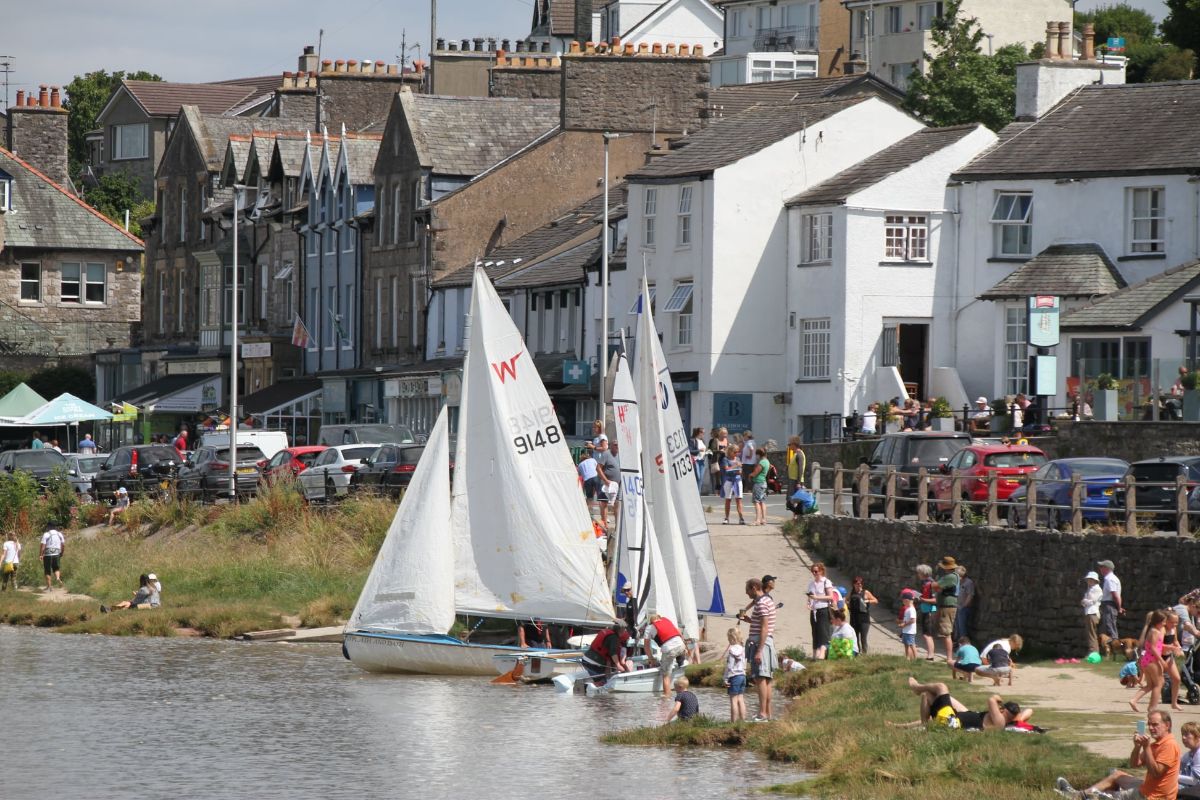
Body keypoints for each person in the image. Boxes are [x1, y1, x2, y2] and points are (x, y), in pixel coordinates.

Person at [1055, 710, 1180, 800]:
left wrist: (1146, 747)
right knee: (1117, 774)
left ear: (1167, 725)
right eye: (1149, 724)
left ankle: (1079, 796)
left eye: (1155, 725)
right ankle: (1079, 795)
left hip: (1153, 796)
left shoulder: (1169, 745)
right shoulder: (1156, 744)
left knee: (1106, 796)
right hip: (1148, 787)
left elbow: (1156, 773)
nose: (1151, 728)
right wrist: (1137, 747)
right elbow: (1134, 764)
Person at [896, 676, 1032, 731]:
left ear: (1004, 711)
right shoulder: (1004, 721)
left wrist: (997, 698)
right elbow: (1030, 711)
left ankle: (917, 688)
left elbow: (991, 699)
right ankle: (924, 725)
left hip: (951, 721)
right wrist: (1019, 717)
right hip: (952, 719)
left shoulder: (1000, 721)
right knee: (927, 695)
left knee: (941, 687)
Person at [745, 577, 777, 722]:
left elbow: (764, 628)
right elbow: (763, 624)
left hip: (761, 644)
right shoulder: (767, 600)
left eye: (747, 590)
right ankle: (768, 714)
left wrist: (759, 650)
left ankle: (762, 714)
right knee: (767, 679)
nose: (747, 593)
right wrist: (750, 621)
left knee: (760, 678)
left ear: (754, 588)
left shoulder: (762, 603)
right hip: (766, 642)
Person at [1132, 610, 1169, 714]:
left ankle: (1134, 700)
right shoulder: (1155, 632)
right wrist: (1161, 660)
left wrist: (1170, 647)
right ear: (1158, 621)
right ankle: (1152, 708)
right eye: (1163, 622)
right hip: (1152, 661)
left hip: (1147, 660)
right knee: (1159, 684)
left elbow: (1157, 646)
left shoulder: (1152, 630)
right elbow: (1153, 648)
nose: (1164, 624)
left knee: (1150, 685)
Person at [644, 611, 688, 694]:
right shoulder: (666, 620)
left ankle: (666, 698)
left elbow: (646, 646)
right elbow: (679, 633)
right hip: (681, 645)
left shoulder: (649, 627)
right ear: (659, 617)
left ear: (650, 621)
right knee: (679, 659)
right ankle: (680, 661)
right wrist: (685, 647)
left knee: (666, 676)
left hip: (669, 650)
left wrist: (651, 659)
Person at [581, 620, 632, 685]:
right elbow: (613, 653)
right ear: (621, 629)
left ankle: (589, 687)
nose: (625, 630)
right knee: (602, 683)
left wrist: (609, 676)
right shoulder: (614, 637)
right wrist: (618, 665)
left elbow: (608, 661)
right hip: (594, 663)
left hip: (586, 659)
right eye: (624, 629)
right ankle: (589, 689)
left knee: (602, 681)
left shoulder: (607, 633)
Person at [807, 562, 836, 660]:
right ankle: (815, 655)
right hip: (814, 610)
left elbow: (831, 596)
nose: (814, 573)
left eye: (816, 571)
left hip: (823, 609)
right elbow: (810, 596)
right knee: (815, 632)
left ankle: (822, 654)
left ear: (821, 571)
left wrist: (817, 597)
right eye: (812, 571)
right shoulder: (811, 584)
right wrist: (809, 602)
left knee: (823, 632)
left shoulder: (826, 582)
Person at [936, 556, 961, 662]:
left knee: (946, 632)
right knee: (945, 632)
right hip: (947, 605)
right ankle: (949, 657)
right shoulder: (952, 576)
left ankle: (949, 658)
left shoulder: (951, 577)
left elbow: (935, 585)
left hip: (947, 606)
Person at [592, 438, 619, 530]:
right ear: (610, 445)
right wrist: (606, 480)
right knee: (604, 504)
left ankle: (617, 527)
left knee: (617, 504)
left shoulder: (620, 455)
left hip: (616, 485)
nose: (617, 446)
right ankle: (604, 526)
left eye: (618, 445)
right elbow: (598, 468)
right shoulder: (606, 454)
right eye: (615, 444)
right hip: (605, 484)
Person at [848, 576, 878, 654]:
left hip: (864, 619)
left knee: (863, 638)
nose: (860, 585)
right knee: (855, 638)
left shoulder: (866, 592)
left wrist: (867, 601)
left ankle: (864, 654)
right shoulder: (852, 592)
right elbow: (847, 600)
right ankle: (856, 653)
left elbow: (875, 600)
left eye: (861, 583)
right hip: (853, 619)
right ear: (854, 584)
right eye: (858, 583)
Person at [723, 627, 748, 722]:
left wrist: (725, 678)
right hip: (742, 676)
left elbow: (730, 666)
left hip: (734, 676)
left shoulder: (732, 650)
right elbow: (744, 663)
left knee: (733, 700)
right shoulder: (743, 649)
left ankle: (733, 721)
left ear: (732, 638)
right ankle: (742, 720)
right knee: (741, 699)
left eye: (728, 638)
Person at [1099, 559, 1126, 642]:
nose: (1100, 569)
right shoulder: (1112, 579)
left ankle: (1116, 645)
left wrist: (1119, 607)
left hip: (1109, 605)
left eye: (1102, 567)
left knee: (1110, 628)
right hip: (1110, 604)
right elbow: (1117, 595)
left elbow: (1115, 595)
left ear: (1107, 568)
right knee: (1110, 626)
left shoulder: (1110, 579)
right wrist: (1119, 607)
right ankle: (1113, 646)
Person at [916, 563, 938, 661]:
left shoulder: (931, 584)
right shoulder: (925, 583)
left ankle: (930, 655)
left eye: (919, 573)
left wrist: (922, 599)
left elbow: (935, 600)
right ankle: (930, 654)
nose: (918, 575)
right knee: (926, 633)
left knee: (928, 634)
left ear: (923, 573)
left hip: (930, 610)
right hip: (925, 609)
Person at [720, 445, 745, 525]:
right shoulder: (725, 459)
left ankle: (741, 518)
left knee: (738, 499)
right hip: (728, 480)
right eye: (735, 452)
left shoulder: (738, 459)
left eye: (738, 452)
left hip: (737, 480)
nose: (736, 454)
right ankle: (726, 518)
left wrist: (737, 469)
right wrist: (735, 466)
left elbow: (740, 471)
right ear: (730, 452)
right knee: (728, 499)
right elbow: (726, 470)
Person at [1082, 571, 1104, 657]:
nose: (1088, 581)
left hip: (1092, 612)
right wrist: (1085, 601)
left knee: (1092, 634)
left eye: (1090, 579)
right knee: (1090, 633)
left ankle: (1093, 652)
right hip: (1089, 612)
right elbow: (1086, 601)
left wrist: (1085, 601)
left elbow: (1092, 601)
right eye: (1088, 579)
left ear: (1095, 580)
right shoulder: (1090, 589)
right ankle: (1093, 652)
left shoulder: (1096, 589)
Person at [953, 564, 976, 642]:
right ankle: (958, 641)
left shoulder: (968, 583)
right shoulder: (957, 582)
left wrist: (963, 606)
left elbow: (970, 595)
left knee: (962, 627)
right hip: (957, 606)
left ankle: (964, 642)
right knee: (957, 626)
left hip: (964, 608)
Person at [749, 447, 770, 526]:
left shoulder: (762, 462)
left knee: (756, 501)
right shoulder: (767, 461)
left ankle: (757, 520)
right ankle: (763, 519)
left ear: (759, 455)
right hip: (763, 483)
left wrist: (750, 475)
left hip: (758, 483)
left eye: (756, 455)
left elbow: (755, 473)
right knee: (762, 501)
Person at [578, 450, 599, 517]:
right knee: (600, 497)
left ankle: (587, 513)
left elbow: (579, 474)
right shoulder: (592, 460)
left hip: (587, 480)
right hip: (595, 477)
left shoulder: (580, 465)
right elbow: (597, 468)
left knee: (589, 497)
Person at [708, 426, 728, 495]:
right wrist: (720, 451)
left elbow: (727, 449)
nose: (725, 435)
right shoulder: (716, 440)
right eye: (723, 433)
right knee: (718, 477)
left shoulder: (726, 440)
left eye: (726, 433)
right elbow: (712, 450)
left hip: (724, 460)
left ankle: (723, 491)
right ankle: (717, 491)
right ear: (720, 433)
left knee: (724, 475)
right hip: (717, 460)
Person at [899, 592, 918, 660]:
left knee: (912, 644)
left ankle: (915, 658)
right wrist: (903, 623)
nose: (903, 602)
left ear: (907, 600)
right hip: (906, 630)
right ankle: (907, 657)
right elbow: (907, 619)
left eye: (903, 600)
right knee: (906, 644)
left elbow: (913, 620)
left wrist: (904, 624)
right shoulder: (908, 608)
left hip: (910, 631)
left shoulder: (911, 609)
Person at [690, 427, 708, 494]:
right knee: (697, 477)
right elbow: (690, 450)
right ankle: (694, 493)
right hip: (696, 461)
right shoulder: (693, 440)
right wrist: (699, 450)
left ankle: (698, 494)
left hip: (702, 461)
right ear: (698, 433)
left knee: (701, 479)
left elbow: (704, 450)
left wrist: (707, 452)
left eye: (704, 433)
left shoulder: (703, 441)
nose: (703, 434)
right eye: (702, 432)